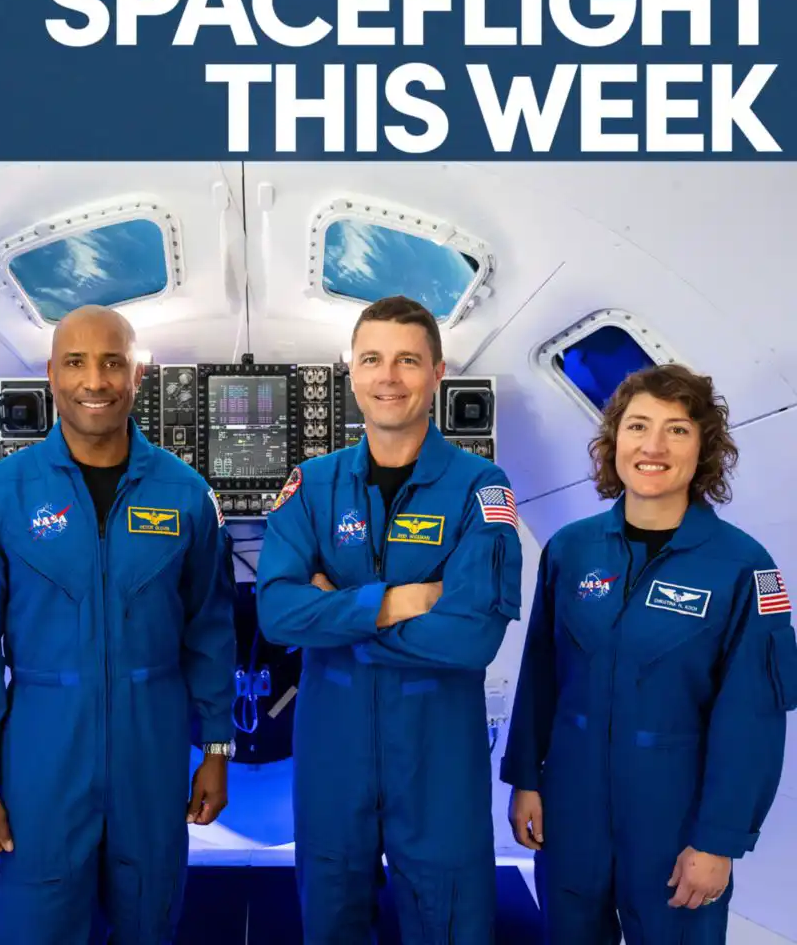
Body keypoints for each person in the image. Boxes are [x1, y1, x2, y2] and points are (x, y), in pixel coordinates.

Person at [0, 304, 238, 945]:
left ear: (138, 375)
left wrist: (217, 749)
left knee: (150, 920)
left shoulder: (186, 494)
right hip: (43, 756)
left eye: (112, 363)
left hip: (152, 752)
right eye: (76, 362)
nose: (95, 381)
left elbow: (210, 631)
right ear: (52, 374)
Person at [256, 295, 523, 944]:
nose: (389, 377)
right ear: (352, 371)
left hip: (438, 756)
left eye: (407, 360)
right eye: (372, 359)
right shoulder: (312, 485)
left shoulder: (481, 487)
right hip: (333, 753)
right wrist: (397, 602)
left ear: (437, 372)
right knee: (330, 922)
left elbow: (471, 636)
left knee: (450, 925)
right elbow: (277, 613)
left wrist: (339, 615)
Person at [500, 363, 797, 944]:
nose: (653, 446)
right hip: (571, 808)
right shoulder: (571, 550)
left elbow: (752, 720)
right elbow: (540, 675)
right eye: (638, 426)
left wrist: (718, 840)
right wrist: (525, 779)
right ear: (614, 441)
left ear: (703, 447)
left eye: (677, 430)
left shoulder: (744, 567)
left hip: (674, 819)